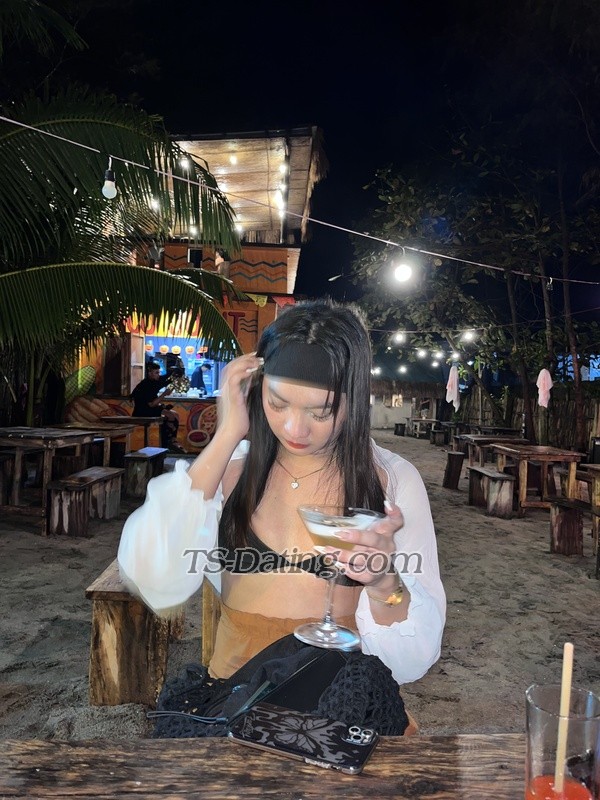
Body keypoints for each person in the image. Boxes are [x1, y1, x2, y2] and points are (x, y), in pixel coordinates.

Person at [119, 300, 445, 688]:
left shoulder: (391, 481)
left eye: (320, 412)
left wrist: (384, 584)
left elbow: (415, 657)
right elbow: (151, 571)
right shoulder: (232, 470)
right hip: (232, 696)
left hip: (338, 699)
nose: (295, 429)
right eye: (278, 403)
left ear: (355, 401)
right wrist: (228, 433)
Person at [130, 362, 183, 452]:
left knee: (176, 415)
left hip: (150, 408)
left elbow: (164, 379)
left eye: (159, 372)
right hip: (142, 411)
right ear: (150, 373)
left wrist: (174, 374)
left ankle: (173, 440)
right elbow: (151, 404)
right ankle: (167, 442)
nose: (158, 375)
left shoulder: (154, 381)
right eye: (156, 373)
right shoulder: (146, 385)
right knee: (170, 415)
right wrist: (164, 394)